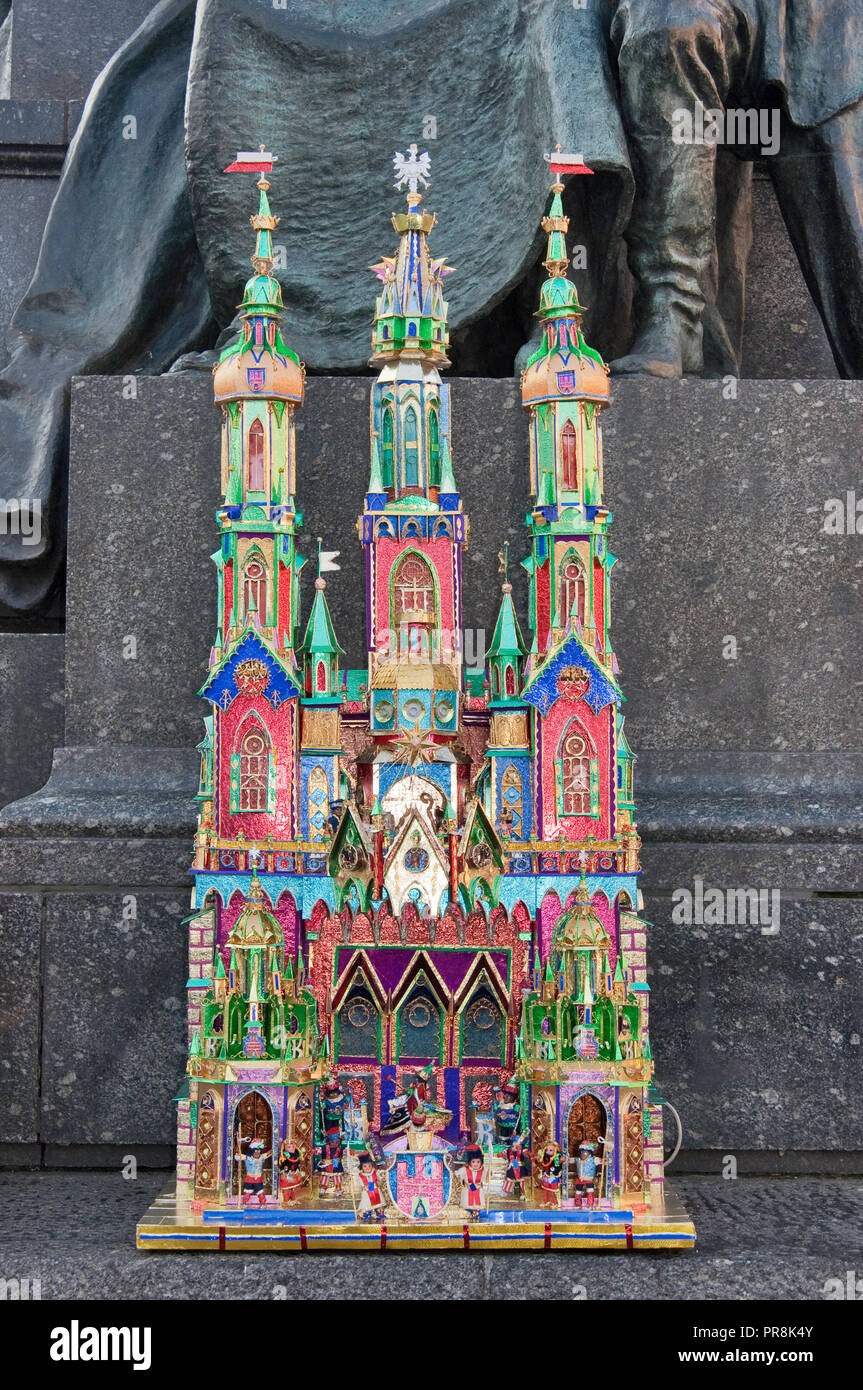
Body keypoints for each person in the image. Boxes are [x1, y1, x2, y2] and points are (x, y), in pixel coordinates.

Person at [235, 1136, 272, 1206]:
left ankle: (263, 1203)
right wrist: (238, 1145)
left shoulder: (262, 1157)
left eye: (259, 1151)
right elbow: (237, 1156)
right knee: (247, 1192)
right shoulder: (248, 1158)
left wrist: (275, 1147)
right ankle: (244, 1203)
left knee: (260, 1192)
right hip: (249, 1178)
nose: (257, 1153)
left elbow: (269, 1153)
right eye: (255, 1151)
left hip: (258, 1179)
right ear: (252, 1151)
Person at [455, 1145, 488, 1217]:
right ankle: (469, 1215)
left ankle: (476, 1214)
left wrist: (489, 1173)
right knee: (467, 1208)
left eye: (478, 1162)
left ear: (481, 1162)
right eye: (473, 1162)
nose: (476, 1164)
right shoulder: (464, 1170)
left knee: (478, 1207)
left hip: (479, 1191)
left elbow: (487, 1178)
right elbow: (456, 1174)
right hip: (467, 1191)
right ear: (470, 1162)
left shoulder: (484, 1170)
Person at [355, 1151, 384, 1222]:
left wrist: (381, 1175)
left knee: (377, 1201)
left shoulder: (375, 1172)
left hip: (375, 1190)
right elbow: (359, 1184)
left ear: (372, 1166)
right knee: (366, 1202)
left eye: (369, 1166)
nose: (367, 1168)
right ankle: (367, 1214)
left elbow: (380, 1177)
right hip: (366, 1192)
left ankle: (377, 1213)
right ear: (361, 1167)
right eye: (365, 1166)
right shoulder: (360, 1175)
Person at [502, 1135, 531, 1199]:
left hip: (520, 1166)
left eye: (518, 1145)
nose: (515, 1147)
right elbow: (503, 1156)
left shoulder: (522, 1151)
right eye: (513, 1145)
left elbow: (526, 1154)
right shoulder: (508, 1150)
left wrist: (528, 1154)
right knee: (510, 1179)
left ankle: (523, 1193)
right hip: (512, 1166)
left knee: (522, 1180)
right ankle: (506, 1191)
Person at [277, 1138, 304, 1204]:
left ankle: (293, 1199)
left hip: (294, 1174)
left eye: (293, 1146)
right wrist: (282, 1174)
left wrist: (298, 1173)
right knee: (286, 1189)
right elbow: (281, 1167)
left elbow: (298, 1165)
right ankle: (286, 1200)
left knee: (295, 1188)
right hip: (286, 1175)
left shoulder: (297, 1155)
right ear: (285, 1148)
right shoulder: (284, 1156)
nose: (291, 1148)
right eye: (289, 1147)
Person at [536, 1142, 563, 1209]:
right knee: (545, 1189)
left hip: (553, 1176)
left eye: (551, 1150)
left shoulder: (556, 1157)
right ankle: (546, 1201)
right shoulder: (545, 1157)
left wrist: (554, 1172)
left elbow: (557, 1167)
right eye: (547, 1150)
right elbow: (542, 1165)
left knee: (554, 1190)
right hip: (546, 1175)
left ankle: (556, 1202)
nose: (548, 1152)